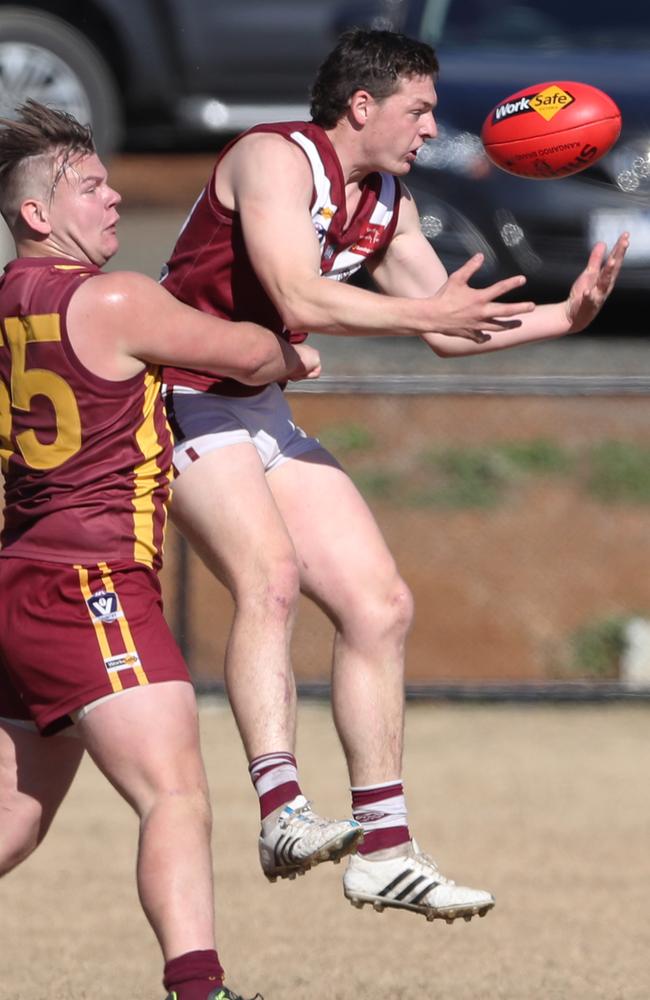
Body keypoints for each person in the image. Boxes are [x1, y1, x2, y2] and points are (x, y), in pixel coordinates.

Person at [159, 28, 628, 922]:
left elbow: (449, 330)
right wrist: (420, 308)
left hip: (256, 409)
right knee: (271, 580)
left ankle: (385, 849)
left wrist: (564, 317)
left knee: (381, 605)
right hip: (182, 395)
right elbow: (298, 296)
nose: (431, 128)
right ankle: (281, 812)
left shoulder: (387, 202)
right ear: (362, 106)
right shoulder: (273, 158)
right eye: (417, 109)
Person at [0, 100, 321, 1000]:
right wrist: (288, 343)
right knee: (174, 791)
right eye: (91, 186)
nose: (114, 200)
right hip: (91, 581)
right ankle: (198, 990)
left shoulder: (4, 303)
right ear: (36, 216)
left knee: (14, 821)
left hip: (21, 577)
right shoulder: (115, 298)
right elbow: (248, 353)